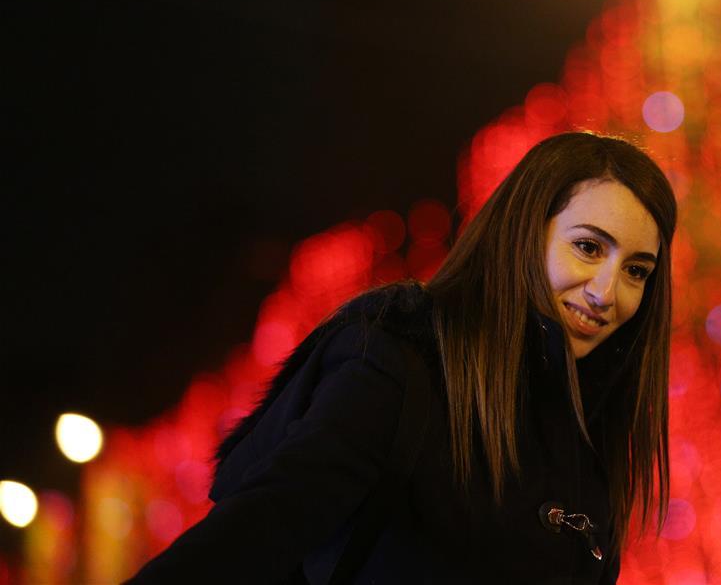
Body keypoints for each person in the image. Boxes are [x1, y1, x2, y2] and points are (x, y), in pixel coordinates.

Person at [126, 131, 677, 584]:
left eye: (636, 271)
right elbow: (260, 528)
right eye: (588, 247)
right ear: (524, 233)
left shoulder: (591, 434)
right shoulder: (404, 362)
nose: (608, 292)